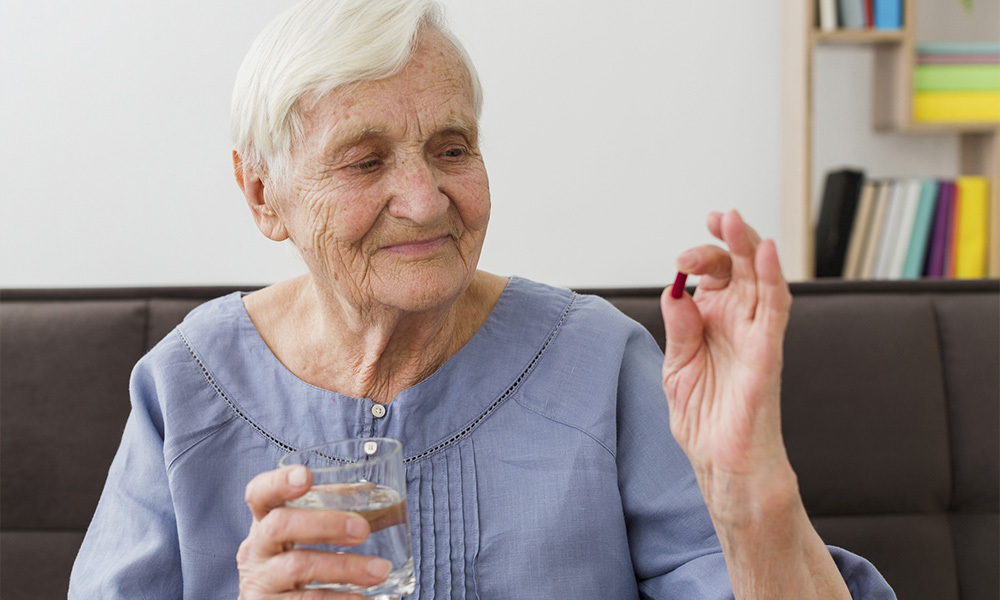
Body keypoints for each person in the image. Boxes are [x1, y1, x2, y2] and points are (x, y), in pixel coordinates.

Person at [69, 0, 896, 598]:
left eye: (451, 147)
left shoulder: (598, 364)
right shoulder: (184, 385)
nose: (426, 200)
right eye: (364, 161)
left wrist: (754, 488)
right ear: (261, 194)